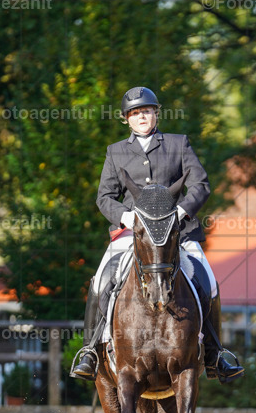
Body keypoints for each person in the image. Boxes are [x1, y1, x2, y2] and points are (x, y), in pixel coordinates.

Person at [69, 86, 244, 384]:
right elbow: (105, 197)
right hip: (134, 234)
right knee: (101, 280)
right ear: (127, 119)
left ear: (156, 113)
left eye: (146, 111)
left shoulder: (179, 144)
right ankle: (90, 350)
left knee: (209, 281)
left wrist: (180, 212)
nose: (142, 117)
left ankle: (216, 353)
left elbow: (200, 185)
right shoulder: (116, 152)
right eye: (135, 113)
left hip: (178, 233)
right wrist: (127, 217)